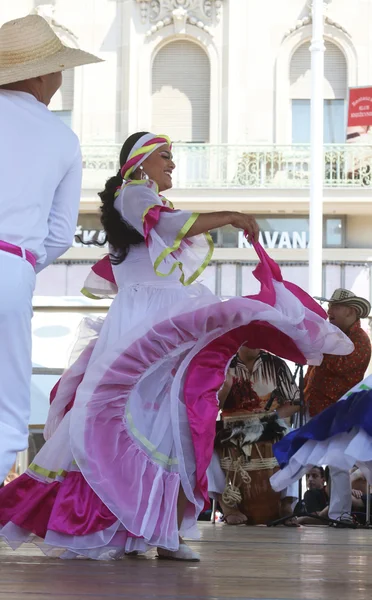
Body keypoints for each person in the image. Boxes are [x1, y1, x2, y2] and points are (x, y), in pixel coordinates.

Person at [0, 131, 354, 562]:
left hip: (159, 318)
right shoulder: (133, 194)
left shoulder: (144, 202)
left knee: (169, 424)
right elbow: (168, 227)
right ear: (140, 161)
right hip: (147, 324)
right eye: (164, 156)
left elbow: (161, 239)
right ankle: (145, 528)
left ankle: (151, 528)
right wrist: (228, 216)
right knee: (147, 424)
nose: (172, 164)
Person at [0, 14, 102, 484]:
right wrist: (18, 264)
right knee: (7, 407)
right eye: (61, 67)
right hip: (11, 265)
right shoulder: (62, 138)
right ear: (41, 73)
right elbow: (61, 234)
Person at [209, 347, 300, 525]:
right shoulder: (224, 364)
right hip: (232, 429)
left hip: (269, 426)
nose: (253, 343)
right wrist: (225, 387)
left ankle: (286, 503)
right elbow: (211, 405)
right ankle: (227, 506)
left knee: (294, 440)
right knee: (205, 447)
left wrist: (270, 419)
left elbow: (296, 402)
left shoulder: (277, 364)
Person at [271, 375, 372, 525]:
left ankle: (339, 515)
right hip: (344, 406)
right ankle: (339, 516)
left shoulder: (359, 351)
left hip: (350, 404)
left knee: (357, 450)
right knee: (339, 456)